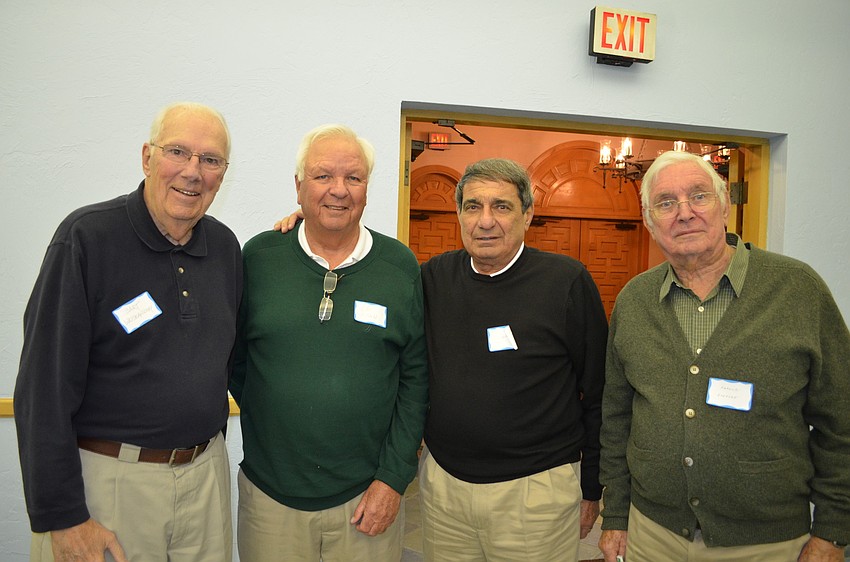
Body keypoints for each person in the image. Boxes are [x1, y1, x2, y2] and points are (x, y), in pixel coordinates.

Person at [14, 102, 241, 562]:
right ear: (147, 157)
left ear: (222, 173)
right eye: (178, 151)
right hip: (111, 486)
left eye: (210, 160)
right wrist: (64, 517)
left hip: (206, 479)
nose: (193, 172)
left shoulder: (225, 248)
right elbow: (43, 390)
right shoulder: (85, 239)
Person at [598, 150, 850, 562]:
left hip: (767, 543)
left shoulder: (799, 290)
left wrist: (833, 532)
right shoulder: (634, 301)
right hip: (654, 534)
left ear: (725, 206)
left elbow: (841, 422)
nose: (684, 213)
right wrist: (616, 516)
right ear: (649, 222)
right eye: (665, 203)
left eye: (699, 196)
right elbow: (616, 417)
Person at [229, 124, 428, 562]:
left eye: (353, 178)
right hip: (270, 500)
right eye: (323, 176)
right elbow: (236, 361)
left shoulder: (399, 266)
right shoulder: (259, 258)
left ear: (367, 188)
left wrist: (394, 479)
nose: (339, 190)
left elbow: (416, 382)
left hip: (366, 498)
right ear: (299, 186)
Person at [417, 158, 608, 561]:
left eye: (501, 206)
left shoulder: (566, 282)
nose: (485, 221)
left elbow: (599, 392)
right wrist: (312, 226)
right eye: (473, 206)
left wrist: (592, 488)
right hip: (445, 491)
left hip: (535, 495)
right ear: (459, 214)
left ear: (528, 214)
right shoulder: (434, 277)